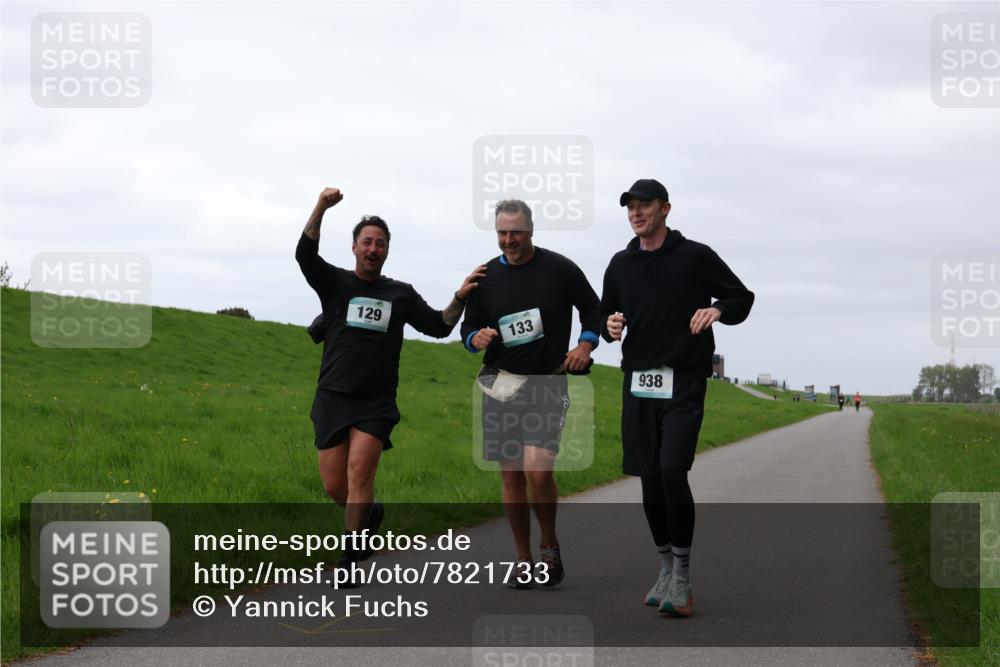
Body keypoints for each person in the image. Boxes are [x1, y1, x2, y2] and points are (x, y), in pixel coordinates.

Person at [296, 187, 484, 585]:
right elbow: (305, 256)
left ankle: (348, 562)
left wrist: (460, 296)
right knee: (335, 485)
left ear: (387, 251)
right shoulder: (335, 284)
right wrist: (321, 207)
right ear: (354, 248)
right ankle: (371, 515)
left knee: (360, 474)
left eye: (380, 243)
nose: (373, 248)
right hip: (331, 397)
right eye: (367, 241)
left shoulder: (399, 294)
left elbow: (439, 326)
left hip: (375, 402)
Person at [600, 179, 754, 617]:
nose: (635, 213)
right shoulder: (619, 263)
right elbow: (606, 308)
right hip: (639, 382)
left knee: (671, 470)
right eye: (630, 206)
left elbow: (742, 296)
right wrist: (611, 323)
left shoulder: (695, 256)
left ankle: (682, 576)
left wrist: (719, 309)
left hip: (684, 379)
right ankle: (665, 567)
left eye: (644, 205)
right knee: (649, 476)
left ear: (666, 208)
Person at [460, 199, 601, 589]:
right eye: (502, 233)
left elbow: (594, 310)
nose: (509, 240)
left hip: (547, 382)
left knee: (538, 472)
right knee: (511, 479)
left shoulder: (560, 269)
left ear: (532, 230)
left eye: (516, 233)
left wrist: (585, 345)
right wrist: (476, 336)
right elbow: (467, 331)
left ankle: (549, 544)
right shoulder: (486, 277)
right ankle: (523, 559)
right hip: (500, 383)